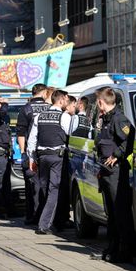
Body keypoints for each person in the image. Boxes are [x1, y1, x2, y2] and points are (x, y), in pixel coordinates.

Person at [26, 89, 76, 235]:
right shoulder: (64, 116)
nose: (67, 102)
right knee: (54, 190)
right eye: (66, 99)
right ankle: (44, 225)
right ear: (60, 100)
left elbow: (32, 139)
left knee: (45, 189)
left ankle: (52, 220)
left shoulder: (40, 116)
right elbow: (71, 132)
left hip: (42, 157)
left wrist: (31, 159)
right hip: (56, 157)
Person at [95, 87, 135, 262]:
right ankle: (112, 248)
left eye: (97, 102)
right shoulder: (107, 119)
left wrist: (117, 155)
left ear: (100, 102)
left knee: (120, 213)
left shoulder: (119, 119)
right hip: (106, 172)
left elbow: (130, 138)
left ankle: (124, 252)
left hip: (117, 172)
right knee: (111, 213)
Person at [16, 84, 50, 225]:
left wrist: (23, 152)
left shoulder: (26, 109)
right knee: (46, 185)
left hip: (32, 153)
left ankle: (32, 216)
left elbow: (21, 133)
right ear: (44, 93)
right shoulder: (49, 108)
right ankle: (45, 216)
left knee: (31, 186)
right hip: (47, 151)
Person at [53, 95, 77, 230]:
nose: (75, 108)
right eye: (73, 105)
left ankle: (62, 217)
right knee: (63, 187)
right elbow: (70, 132)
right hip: (63, 155)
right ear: (68, 105)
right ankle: (62, 219)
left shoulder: (65, 116)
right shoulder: (66, 117)